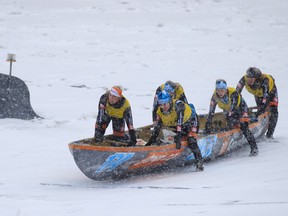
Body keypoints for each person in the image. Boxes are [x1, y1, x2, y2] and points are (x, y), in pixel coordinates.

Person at [146, 90, 204, 171]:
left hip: (192, 121)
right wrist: (149, 143)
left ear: (169, 101)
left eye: (165, 104)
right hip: (179, 125)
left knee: (191, 140)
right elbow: (157, 129)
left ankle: (199, 163)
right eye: (161, 104)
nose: (163, 107)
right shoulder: (159, 112)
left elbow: (179, 124)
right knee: (168, 137)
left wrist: (179, 137)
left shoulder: (178, 106)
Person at [204, 79, 258, 156]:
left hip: (240, 108)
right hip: (228, 110)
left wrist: (238, 120)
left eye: (222, 90)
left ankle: (254, 148)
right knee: (230, 124)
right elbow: (211, 112)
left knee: (243, 126)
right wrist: (208, 124)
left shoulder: (233, 94)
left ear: (226, 89)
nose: (220, 93)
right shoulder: (214, 97)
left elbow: (233, 109)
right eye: (218, 90)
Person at [236, 67, 278, 138]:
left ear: (257, 78)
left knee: (273, 110)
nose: (249, 80)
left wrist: (259, 112)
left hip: (270, 92)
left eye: (252, 78)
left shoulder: (265, 81)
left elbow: (265, 98)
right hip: (258, 93)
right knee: (260, 111)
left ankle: (270, 134)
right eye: (248, 77)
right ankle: (259, 130)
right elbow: (236, 94)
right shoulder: (243, 79)